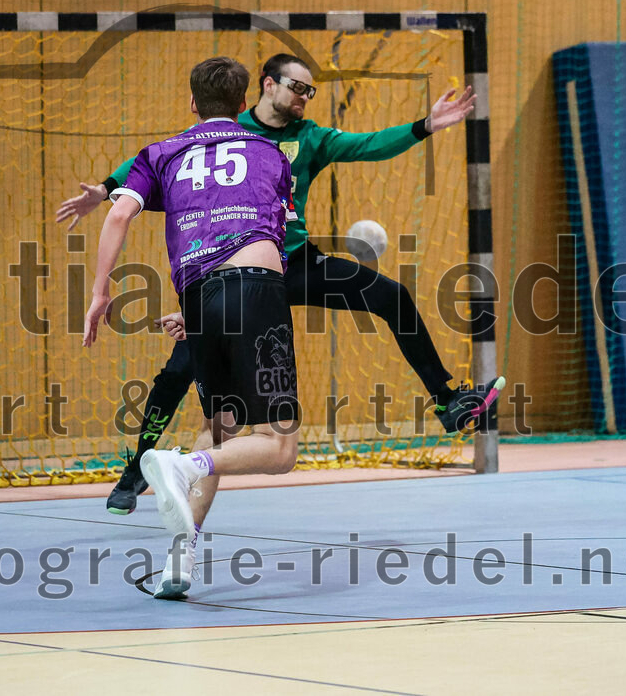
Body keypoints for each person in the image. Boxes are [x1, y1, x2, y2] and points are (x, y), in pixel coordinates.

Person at [60, 53, 504, 516]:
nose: (304, 98)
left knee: (390, 295)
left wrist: (424, 126)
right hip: (236, 268)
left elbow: (368, 144)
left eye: (310, 91)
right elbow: (153, 158)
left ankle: (448, 400)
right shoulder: (230, 134)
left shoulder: (309, 138)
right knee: (178, 371)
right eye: (297, 87)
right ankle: (136, 469)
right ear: (267, 86)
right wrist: (109, 186)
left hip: (292, 264)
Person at [83, 56, 299, 599]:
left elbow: (117, 215)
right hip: (254, 287)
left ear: (192, 104)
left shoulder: (159, 153)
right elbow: (277, 242)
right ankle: (182, 466)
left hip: (200, 294)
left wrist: (100, 292)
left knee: (218, 424)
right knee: (278, 449)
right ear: (244, 100)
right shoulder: (271, 153)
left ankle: (180, 560)